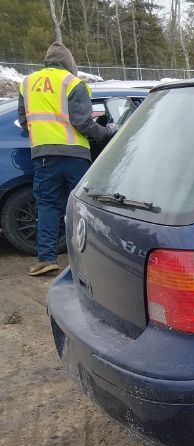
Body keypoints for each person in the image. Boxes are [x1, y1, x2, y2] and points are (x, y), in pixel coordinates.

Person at [18, 41, 116, 276]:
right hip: (75, 155)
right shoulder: (73, 83)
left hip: (43, 156)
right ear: (69, 63)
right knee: (81, 206)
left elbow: (25, 121)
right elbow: (83, 122)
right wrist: (108, 133)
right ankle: (88, 261)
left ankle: (46, 259)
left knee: (48, 205)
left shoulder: (27, 83)